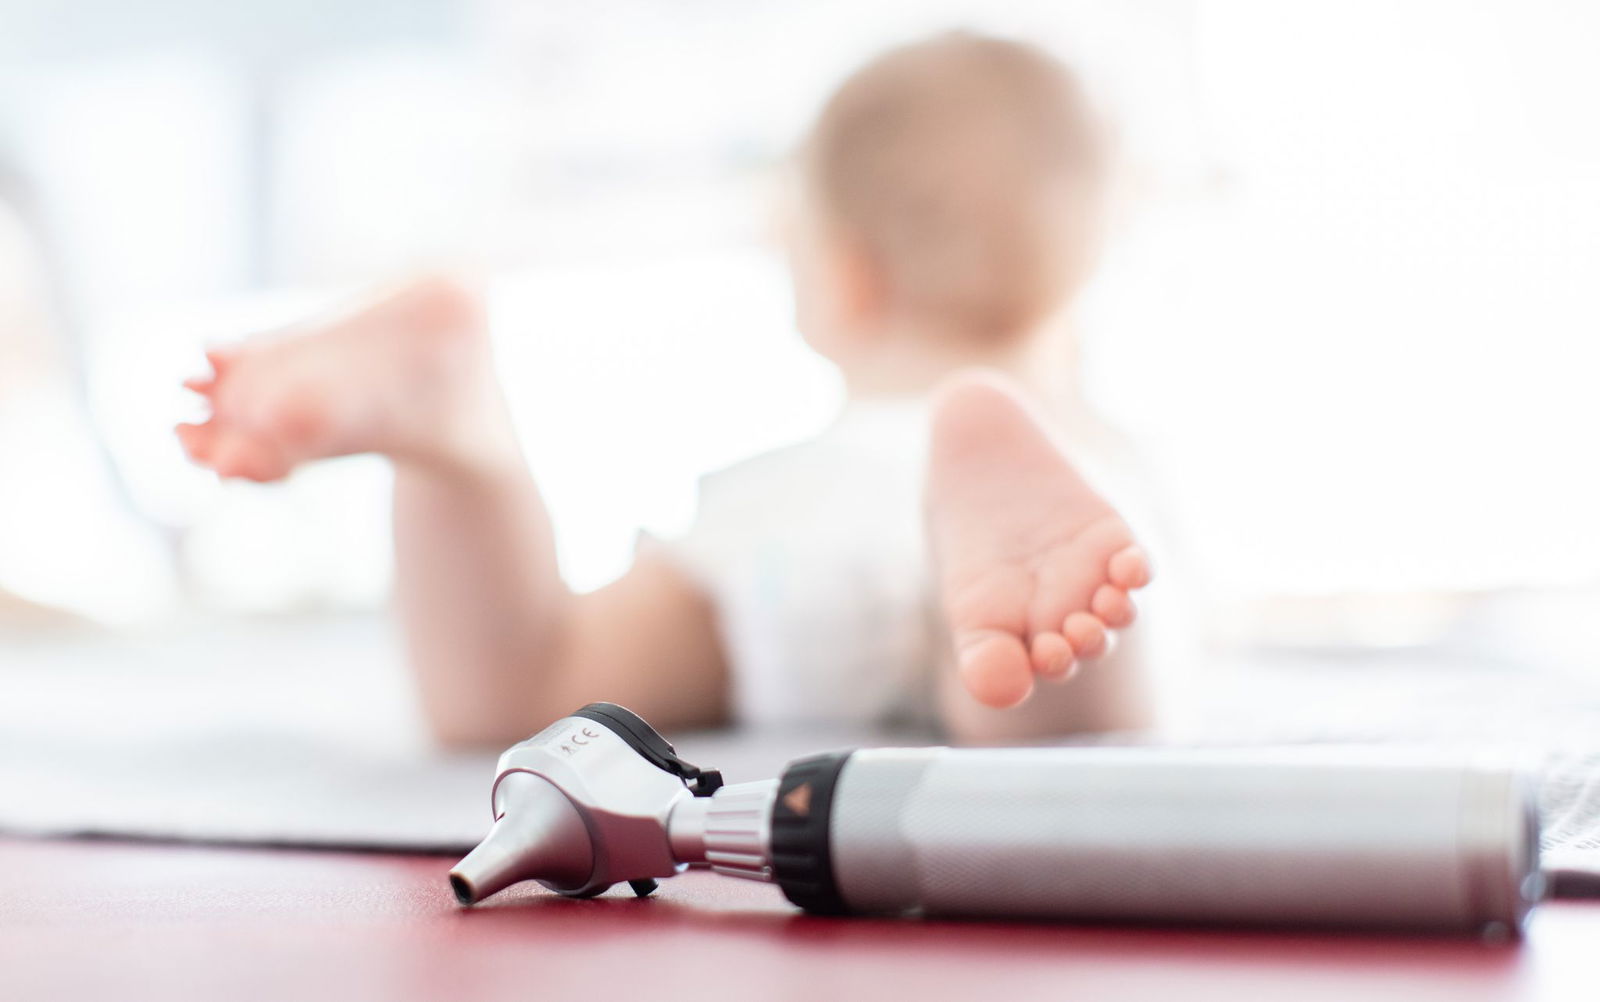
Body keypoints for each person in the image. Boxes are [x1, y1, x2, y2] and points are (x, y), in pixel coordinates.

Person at [177, 33, 1153, 745]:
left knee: (526, 691)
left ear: (845, 276)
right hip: (993, 542)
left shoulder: (806, 479)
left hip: (785, 541)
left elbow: (531, 691)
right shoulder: (1084, 454)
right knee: (1060, 690)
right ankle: (1008, 616)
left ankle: (454, 434)